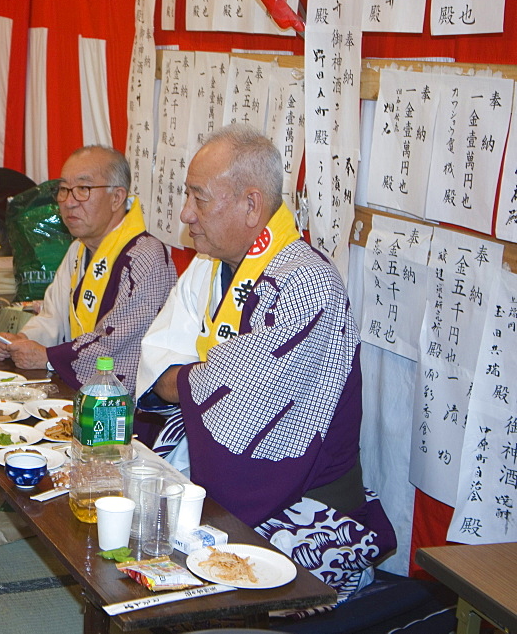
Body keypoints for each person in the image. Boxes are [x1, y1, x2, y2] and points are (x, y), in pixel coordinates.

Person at [136, 125, 395, 605]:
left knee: (186, 582)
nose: (185, 214)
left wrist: (194, 377)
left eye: (199, 198)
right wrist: (199, 377)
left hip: (298, 498)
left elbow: (240, 399)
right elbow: (163, 365)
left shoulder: (305, 280)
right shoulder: (208, 263)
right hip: (213, 463)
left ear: (251, 205)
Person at [0, 145, 176, 396]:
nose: (68, 202)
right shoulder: (77, 250)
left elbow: (116, 341)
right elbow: (53, 317)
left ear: (117, 197)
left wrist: (47, 357)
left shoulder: (145, 256)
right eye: (64, 190)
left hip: (124, 408)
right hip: (76, 392)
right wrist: (21, 340)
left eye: (83, 189)